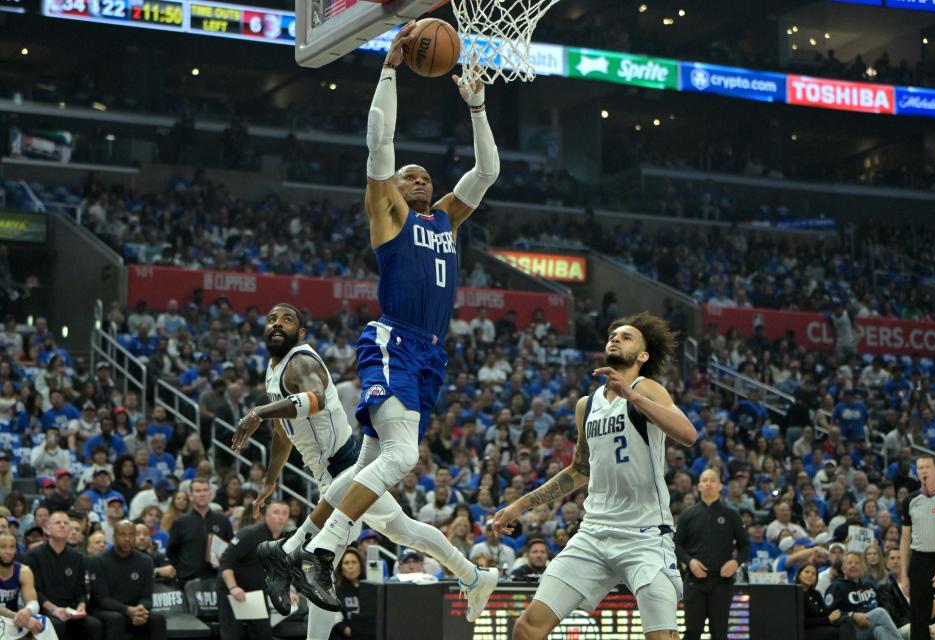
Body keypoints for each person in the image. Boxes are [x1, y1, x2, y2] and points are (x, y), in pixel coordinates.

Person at [253, 19, 501, 611]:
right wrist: (389, 68)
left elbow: (487, 172)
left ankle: (293, 546)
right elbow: (380, 141)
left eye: (427, 176)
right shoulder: (388, 212)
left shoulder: (444, 220)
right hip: (393, 341)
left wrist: (477, 107)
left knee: (368, 462)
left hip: (429, 354)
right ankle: (323, 552)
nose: (422, 178)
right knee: (402, 457)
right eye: (412, 174)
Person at [230, 303, 497, 638]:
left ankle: (284, 554)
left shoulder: (301, 361)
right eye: (271, 319)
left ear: (301, 333)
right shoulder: (274, 371)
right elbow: (284, 430)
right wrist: (270, 481)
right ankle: (474, 576)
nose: (277, 324)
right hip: (329, 474)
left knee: (331, 564)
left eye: (287, 319)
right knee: (396, 534)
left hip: (348, 467)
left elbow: (315, 400)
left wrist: (256, 413)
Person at [491, 312, 698, 640]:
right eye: (613, 334)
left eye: (627, 336)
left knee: (662, 637)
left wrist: (634, 397)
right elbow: (579, 470)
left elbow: (688, 434)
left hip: (644, 537)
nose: (616, 338)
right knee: (527, 628)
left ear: (643, 355)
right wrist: (521, 504)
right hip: (594, 533)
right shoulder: (586, 405)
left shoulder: (647, 389)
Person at [675, 468, 751, 640]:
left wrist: (735, 562)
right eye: (704, 480)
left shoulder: (731, 514)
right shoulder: (688, 514)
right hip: (694, 582)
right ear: (699, 486)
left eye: (712, 480)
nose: (708, 483)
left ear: (720, 486)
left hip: (722, 583)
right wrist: (690, 561)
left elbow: (745, 545)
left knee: (719, 633)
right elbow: (676, 545)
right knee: (692, 632)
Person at [899, 455, 935, 640]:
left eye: (927, 466)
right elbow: (904, 540)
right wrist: (903, 574)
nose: (923, 470)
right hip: (919, 562)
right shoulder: (909, 501)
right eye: (919, 468)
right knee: (919, 618)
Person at [24, 511, 103, 640]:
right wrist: (54, 610)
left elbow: (81, 589)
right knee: (56, 624)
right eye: (57, 522)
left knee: (94, 625)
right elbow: (34, 590)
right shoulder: (33, 555)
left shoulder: (78, 558)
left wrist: (81, 607)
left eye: (66, 523)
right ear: (47, 529)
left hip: (70, 610)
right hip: (44, 609)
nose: (62, 525)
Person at [218, 501, 289, 640]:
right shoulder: (249, 534)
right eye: (276, 512)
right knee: (233, 635)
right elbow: (225, 562)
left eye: (285, 513)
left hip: (256, 593)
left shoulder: (283, 540)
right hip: (232, 590)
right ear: (266, 516)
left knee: (263, 634)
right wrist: (233, 587)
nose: (280, 517)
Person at [89, 520, 165, 640]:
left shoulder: (145, 561)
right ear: (114, 537)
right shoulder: (99, 561)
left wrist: (141, 610)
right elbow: (102, 599)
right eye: (123, 534)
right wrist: (127, 610)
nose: (127, 539)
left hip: (134, 611)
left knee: (157, 619)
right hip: (106, 611)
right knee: (116, 619)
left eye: (131, 534)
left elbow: (147, 597)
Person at [165, 478, 233, 584]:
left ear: (210, 494)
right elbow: (171, 552)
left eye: (205, 490)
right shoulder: (180, 522)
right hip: (187, 581)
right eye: (198, 491)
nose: (202, 494)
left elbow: (231, 549)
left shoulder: (223, 520)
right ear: (190, 496)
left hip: (216, 580)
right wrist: (182, 572)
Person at [825, 552, 900, 640]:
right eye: (850, 563)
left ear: (862, 568)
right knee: (880, 612)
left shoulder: (869, 584)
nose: (854, 565)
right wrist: (852, 615)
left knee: (880, 631)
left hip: (871, 625)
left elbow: (881, 603)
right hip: (851, 628)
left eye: (857, 563)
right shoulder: (836, 587)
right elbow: (830, 614)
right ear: (843, 569)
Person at [878, 547, 935, 640]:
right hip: (901, 628)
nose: (896, 561)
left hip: (923, 624)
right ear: (887, 564)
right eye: (892, 558)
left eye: (899, 558)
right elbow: (892, 618)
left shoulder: (915, 582)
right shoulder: (884, 586)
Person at [0, 532, 57, 640]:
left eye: (12, 547)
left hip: (13, 620)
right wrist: (20, 617)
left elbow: (33, 603)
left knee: (44, 623)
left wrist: (27, 611)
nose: (8, 551)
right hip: (10, 617)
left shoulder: (23, 571)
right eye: (3, 547)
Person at [797, 563, 854, 640]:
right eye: (807, 572)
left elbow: (823, 614)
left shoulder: (816, 594)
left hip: (820, 626)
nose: (810, 575)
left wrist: (836, 615)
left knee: (846, 622)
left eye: (813, 574)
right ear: (799, 575)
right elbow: (801, 622)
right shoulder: (795, 594)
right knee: (835, 632)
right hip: (805, 631)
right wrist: (828, 619)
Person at [330, 547, 365, 640]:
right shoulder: (335, 590)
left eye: (354, 562)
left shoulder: (370, 589)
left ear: (360, 565)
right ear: (341, 567)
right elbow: (337, 621)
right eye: (346, 563)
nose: (350, 566)